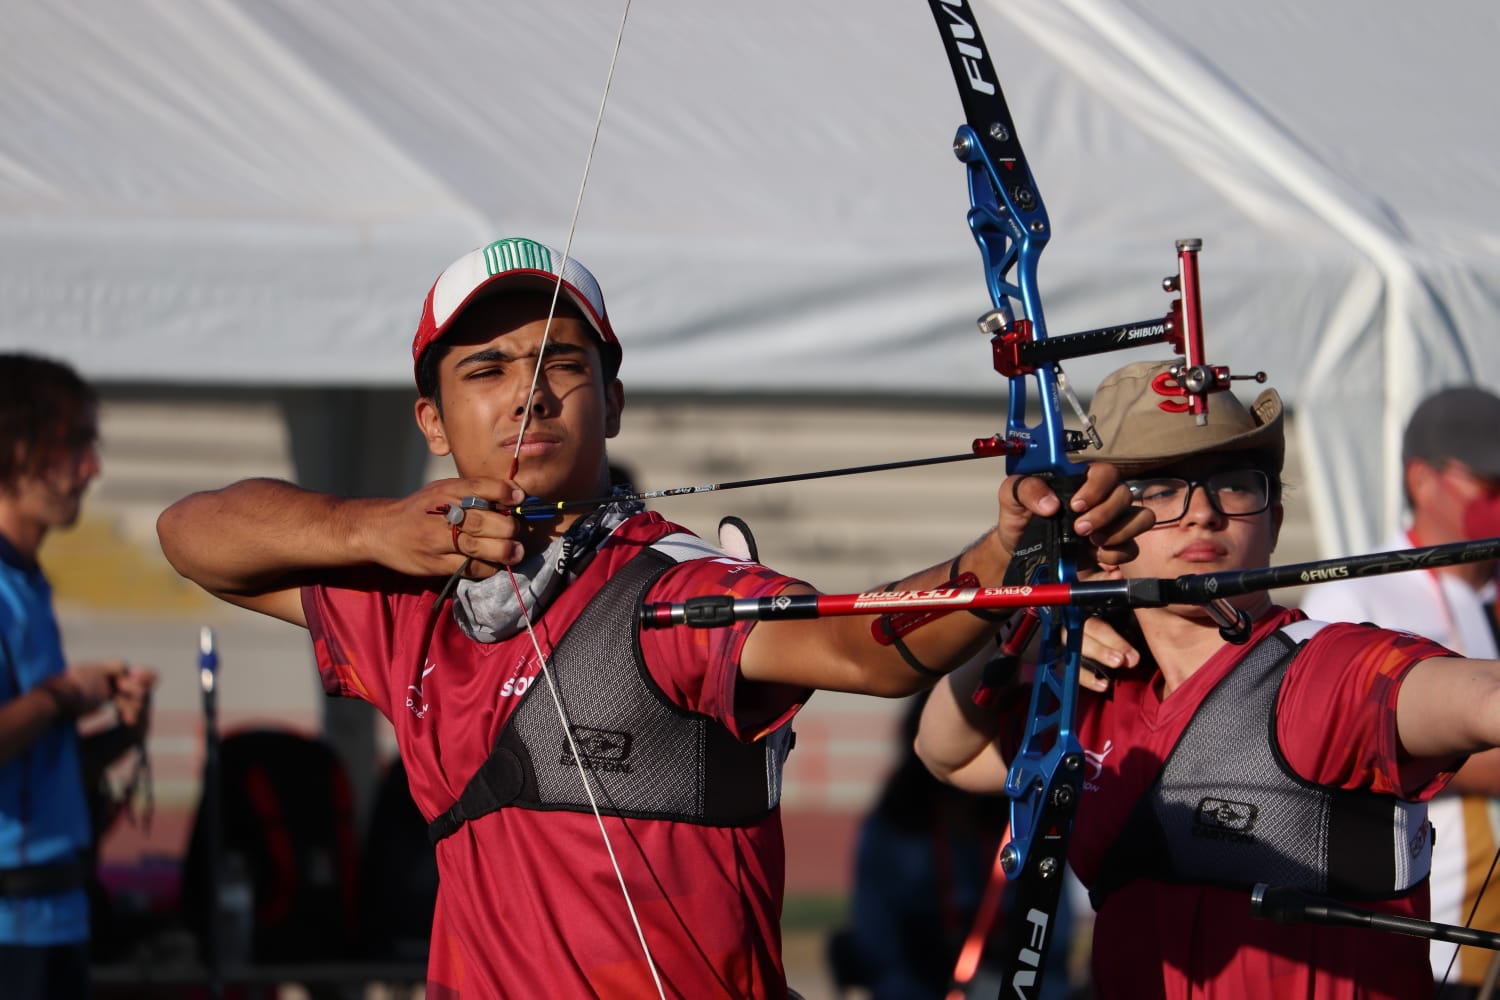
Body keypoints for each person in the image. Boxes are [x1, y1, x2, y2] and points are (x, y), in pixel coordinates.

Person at [154, 236, 1147, 999]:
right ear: (432, 418)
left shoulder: (674, 588)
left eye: (562, 362)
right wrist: (368, 527)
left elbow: (866, 649)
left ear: (614, 399)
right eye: (486, 369)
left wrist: (1000, 555)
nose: (529, 394)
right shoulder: (410, 603)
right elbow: (191, 534)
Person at [915, 359, 1500, 1000]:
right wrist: (1021, 613)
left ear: (1273, 521)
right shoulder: (1094, 687)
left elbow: (1480, 700)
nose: (1204, 515)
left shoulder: (1325, 672)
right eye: (1160, 490)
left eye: (1236, 486)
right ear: (1093, 531)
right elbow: (950, 752)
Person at [1300, 385, 1500, 996]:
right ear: (1422, 478)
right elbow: (1328, 753)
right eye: (1489, 485)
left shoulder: (1489, 589)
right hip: (1428, 933)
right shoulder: (1356, 593)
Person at [0, 353, 157, 1000]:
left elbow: (31, 769)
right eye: (74, 444)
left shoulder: (27, 582)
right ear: (14, 445)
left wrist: (114, 735)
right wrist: (67, 695)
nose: (91, 468)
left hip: (56, 915)